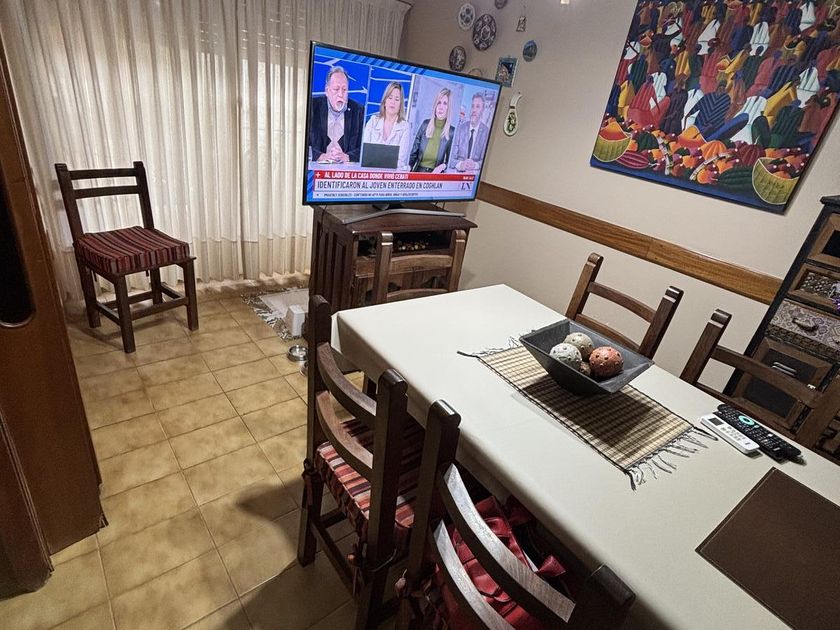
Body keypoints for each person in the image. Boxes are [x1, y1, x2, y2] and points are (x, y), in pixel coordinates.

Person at [308, 66, 364, 163]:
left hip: (345, 170)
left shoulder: (358, 111)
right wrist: (322, 156)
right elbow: (300, 142)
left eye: (344, 89)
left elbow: (363, 148)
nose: (341, 94)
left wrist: (347, 157)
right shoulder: (312, 107)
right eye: (336, 89)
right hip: (315, 170)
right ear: (327, 91)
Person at [361, 81, 411, 170]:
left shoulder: (405, 127)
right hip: (371, 172)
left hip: (392, 175)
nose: (393, 102)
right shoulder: (372, 122)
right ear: (384, 101)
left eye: (397, 99)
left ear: (400, 104)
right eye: (390, 98)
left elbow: (400, 160)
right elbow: (365, 154)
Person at [409, 87, 455, 173]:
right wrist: (407, 171)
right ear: (435, 105)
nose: (441, 107)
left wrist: (442, 166)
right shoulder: (425, 125)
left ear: (449, 108)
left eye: (445, 104)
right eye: (439, 103)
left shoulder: (451, 132)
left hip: (436, 176)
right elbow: (413, 154)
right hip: (418, 173)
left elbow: (451, 161)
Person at [448, 93, 490, 172]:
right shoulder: (460, 129)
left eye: (478, 106)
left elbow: (485, 161)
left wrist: (475, 165)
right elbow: (450, 158)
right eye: (472, 106)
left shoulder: (486, 132)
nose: (474, 110)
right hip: (457, 174)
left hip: (474, 176)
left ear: (483, 110)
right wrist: (461, 164)